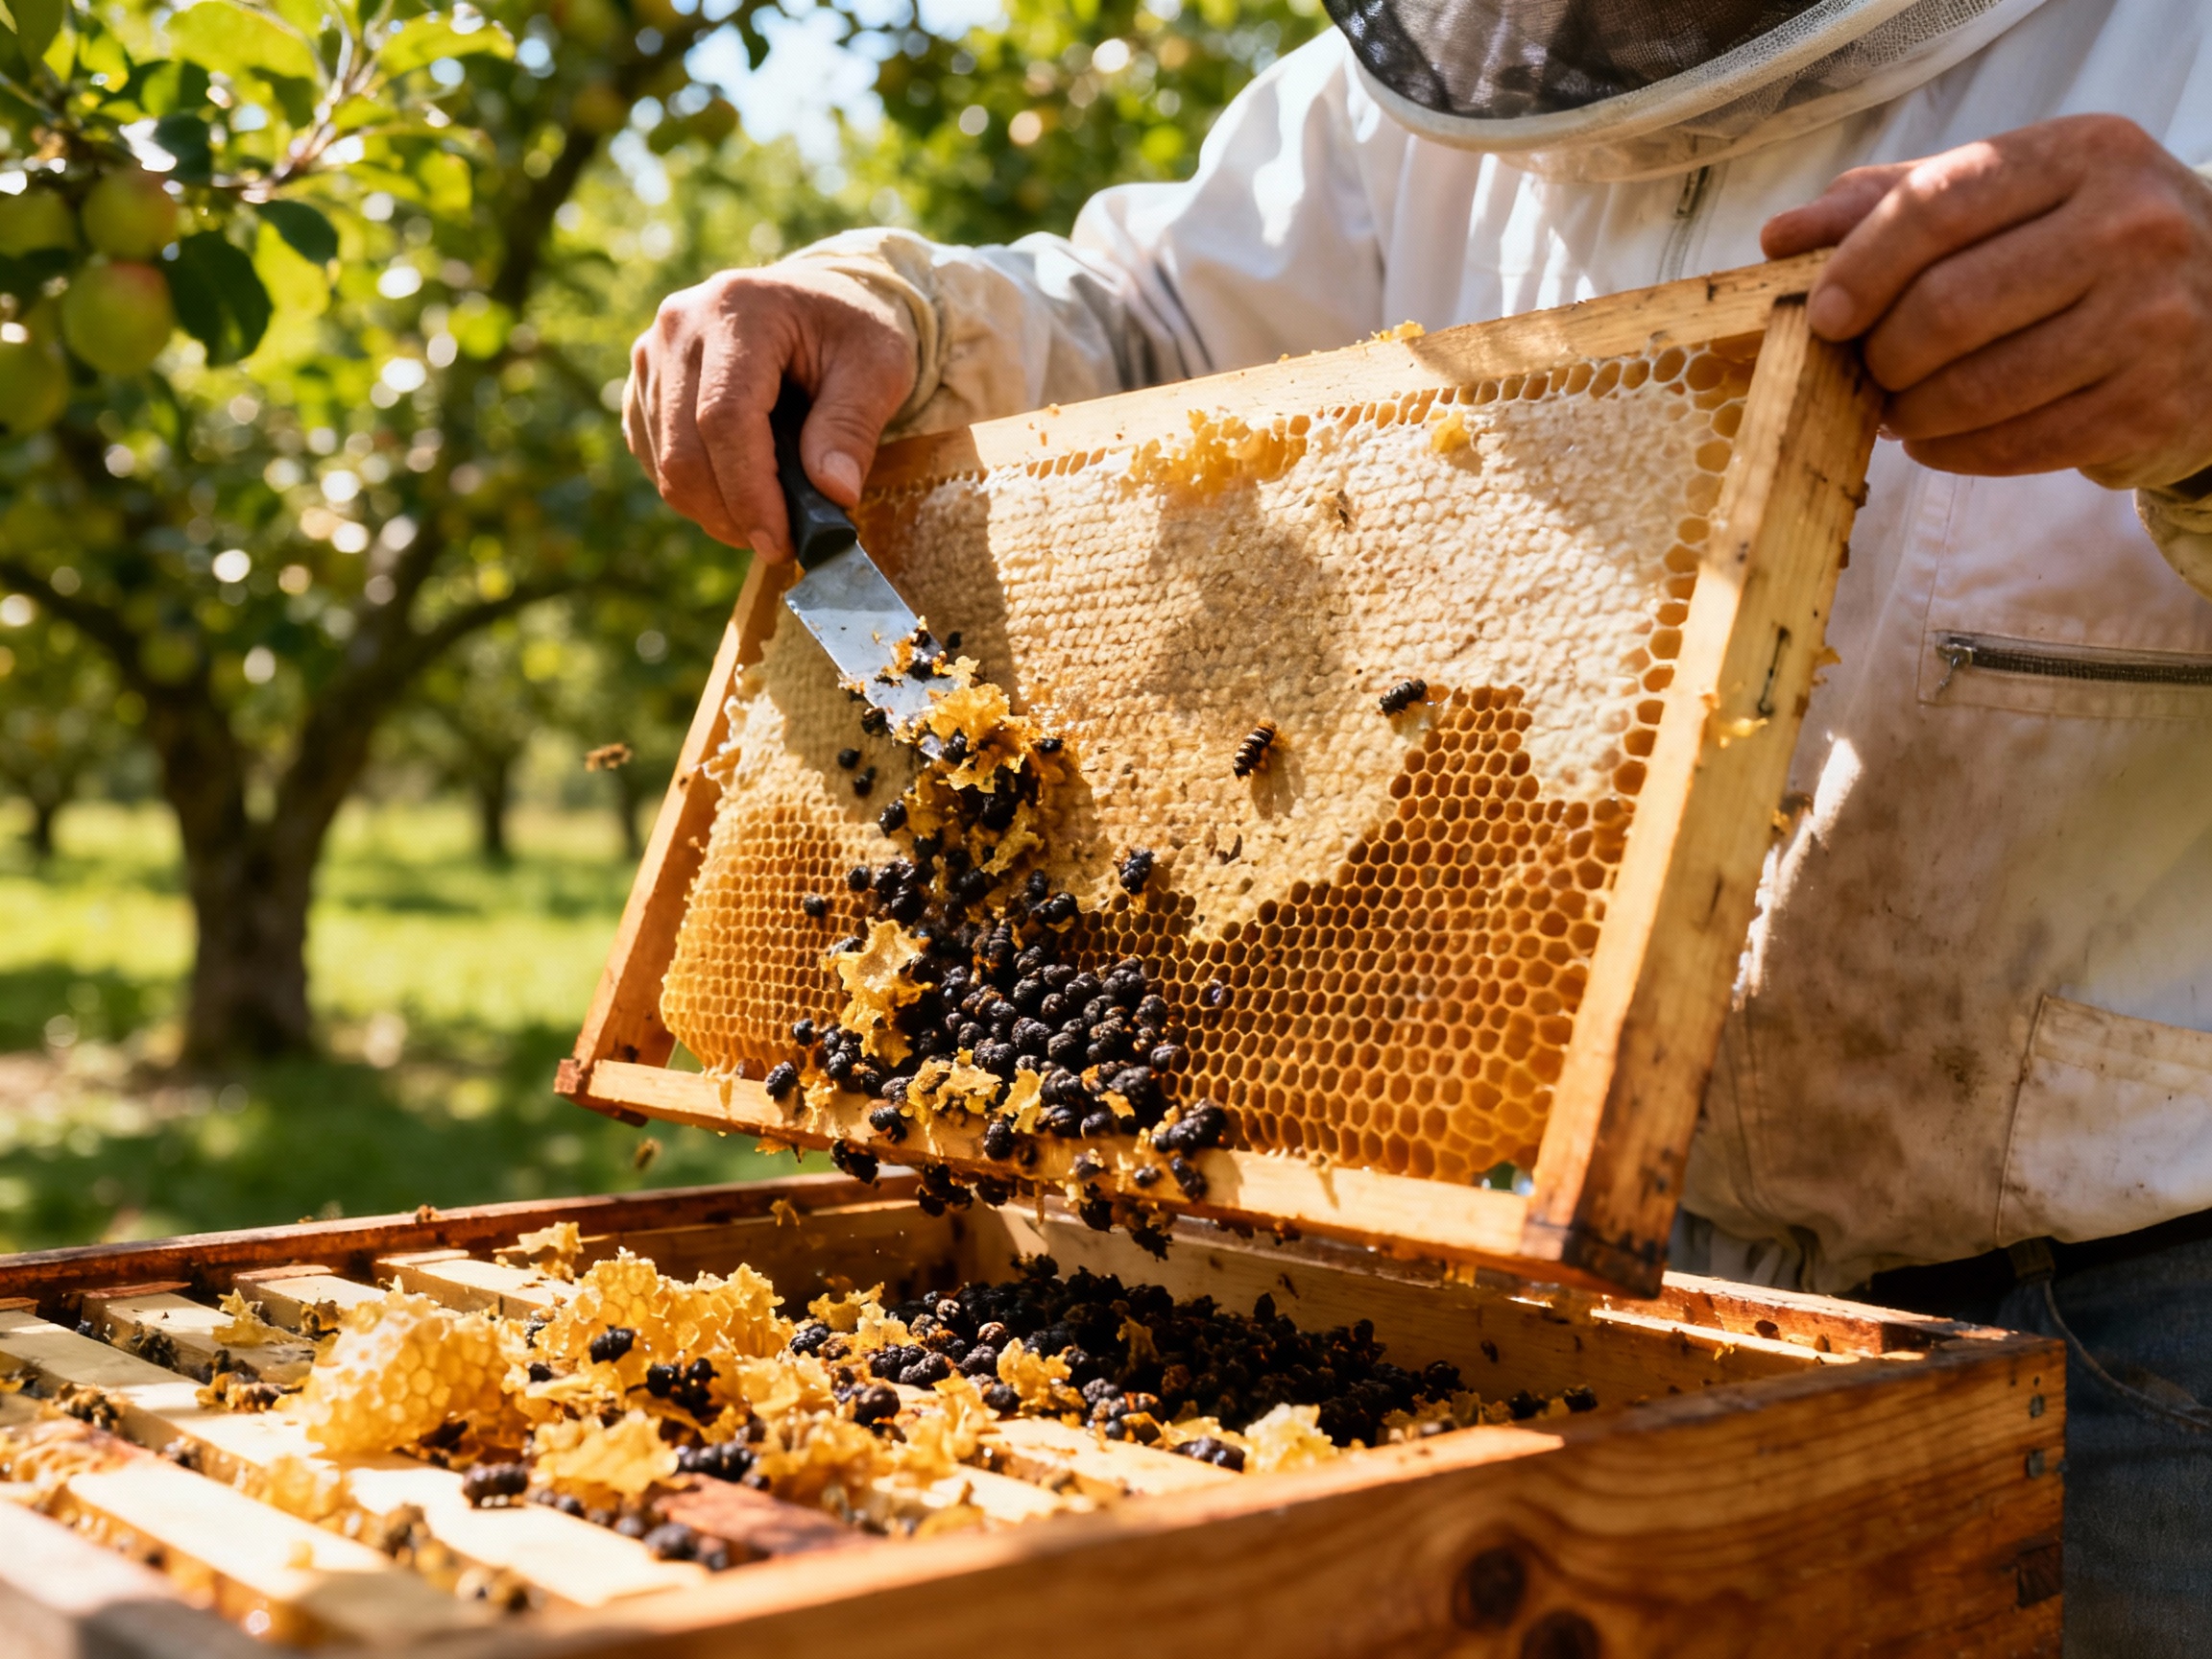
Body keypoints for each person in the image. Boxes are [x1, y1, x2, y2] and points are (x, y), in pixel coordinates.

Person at [627, 0, 2212, 1647]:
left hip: (2141, 1327)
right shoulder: (1430, 96)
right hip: (1624, 1282)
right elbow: (1144, 325)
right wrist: (889, 312)